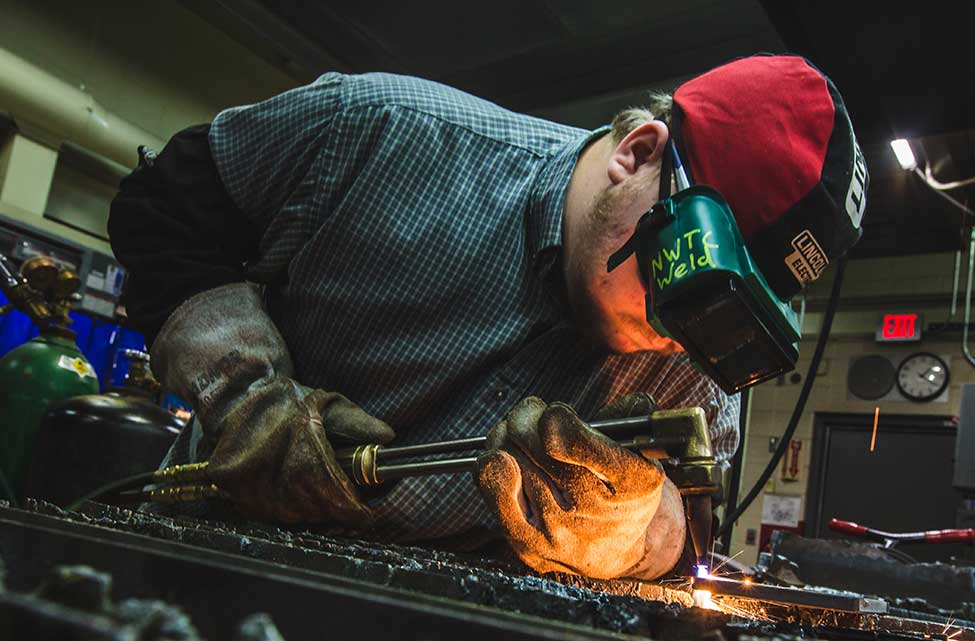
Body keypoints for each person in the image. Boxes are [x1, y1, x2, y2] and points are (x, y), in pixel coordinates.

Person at [109, 54, 866, 582]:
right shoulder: (379, 133)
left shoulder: (697, 369)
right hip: (216, 550)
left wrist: (636, 530)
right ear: (636, 153)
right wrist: (249, 403)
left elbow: (685, 538)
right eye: (689, 276)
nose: (679, 336)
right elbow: (164, 214)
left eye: (722, 314)